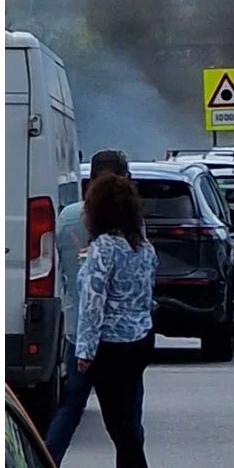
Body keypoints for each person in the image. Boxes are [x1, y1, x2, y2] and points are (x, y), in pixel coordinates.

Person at [45, 150, 143, 465]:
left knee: (70, 410)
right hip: (118, 339)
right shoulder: (129, 227)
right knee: (127, 419)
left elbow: (62, 273)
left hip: (77, 331)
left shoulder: (67, 217)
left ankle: (46, 461)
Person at [75, 173, 158, 468]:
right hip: (141, 338)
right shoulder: (144, 248)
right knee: (130, 418)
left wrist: (85, 350)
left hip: (111, 345)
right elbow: (147, 295)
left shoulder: (103, 248)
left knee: (119, 428)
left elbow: (93, 302)